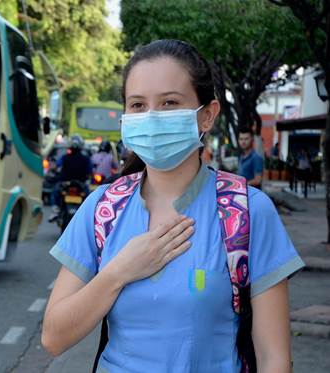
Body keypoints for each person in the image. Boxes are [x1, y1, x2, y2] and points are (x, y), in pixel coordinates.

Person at [42, 39, 304, 372]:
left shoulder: (247, 212)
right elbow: (53, 337)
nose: (151, 118)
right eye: (137, 105)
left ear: (207, 115)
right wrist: (120, 272)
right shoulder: (102, 208)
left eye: (169, 102)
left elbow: (274, 359)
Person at [48, 136, 93, 222]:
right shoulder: (86, 159)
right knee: (88, 197)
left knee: (54, 192)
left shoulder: (65, 157)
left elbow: (56, 165)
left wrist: (53, 169)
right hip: (80, 184)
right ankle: (88, 214)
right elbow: (90, 171)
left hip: (66, 183)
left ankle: (55, 211)